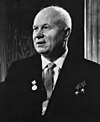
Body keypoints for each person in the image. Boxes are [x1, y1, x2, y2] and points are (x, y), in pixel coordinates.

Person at [0, 5, 100, 122]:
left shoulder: (93, 73)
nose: (38, 35)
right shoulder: (19, 70)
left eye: (46, 27)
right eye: (35, 28)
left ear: (66, 33)